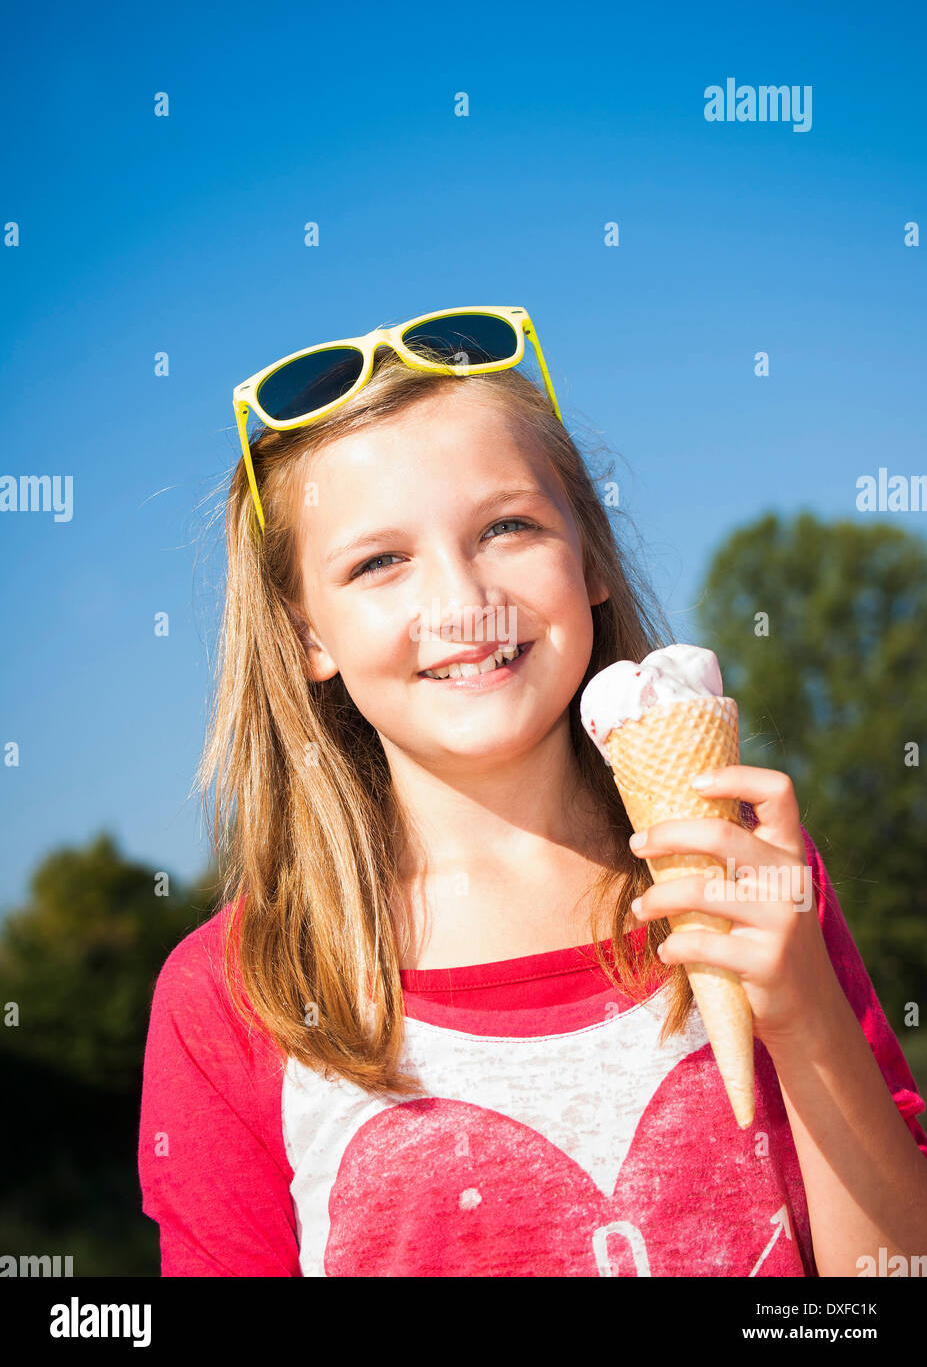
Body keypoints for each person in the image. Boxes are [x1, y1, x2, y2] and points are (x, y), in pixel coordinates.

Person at [138, 307, 927, 1276]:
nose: (463, 599)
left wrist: (804, 1016)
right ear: (307, 637)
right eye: (380, 562)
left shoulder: (749, 874)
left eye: (507, 526)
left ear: (588, 558)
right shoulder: (234, 994)